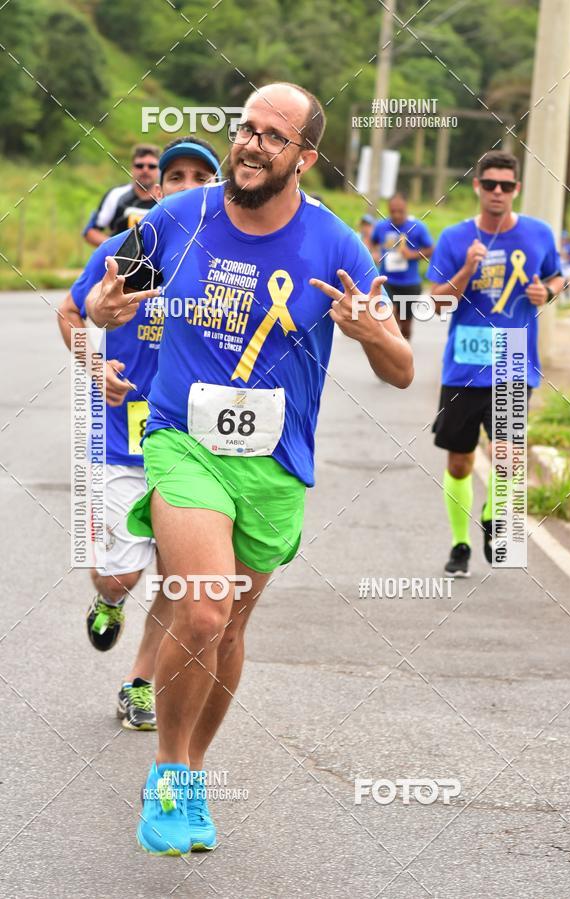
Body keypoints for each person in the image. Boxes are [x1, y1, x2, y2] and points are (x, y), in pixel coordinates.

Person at [85, 82, 414, 856]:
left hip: (273, 465)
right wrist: (104, 312)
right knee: (200, 607)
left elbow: (400, 369)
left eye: (274, 135)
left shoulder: (336, 246)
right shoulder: (175, 218)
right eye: (247, 128)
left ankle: (195, 771)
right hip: (181, 441)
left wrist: (371, 333)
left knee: (230, 623)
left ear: (304, 156)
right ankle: (168, 773)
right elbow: (101, 296)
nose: (252, 143)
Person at [57, 137, 222, 730]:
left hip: (194, 444)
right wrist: (96, 366)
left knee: (183, 580)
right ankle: (106, 599)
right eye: (173, 175)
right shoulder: (132, 250)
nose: (183, 185)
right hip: (125, 441)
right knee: (124, 575)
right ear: (154, 187)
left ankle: (140, 685)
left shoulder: (227, 261)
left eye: (198, 175)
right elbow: (70, 313)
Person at [427, 150, 564, 578]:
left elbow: (558, 275)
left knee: (507, 458)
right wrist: (467, 268)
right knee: (459, 462)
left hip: (512, 361)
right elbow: (437, 301)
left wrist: (550, 292)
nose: (498, 193)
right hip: (465, 364)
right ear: (478, 187)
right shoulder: (454, 237)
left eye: (506, 186)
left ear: (516, 190)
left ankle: (491, 516)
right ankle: (459, 544)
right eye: (490, 185)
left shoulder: (539, 234)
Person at [371, 193, 434, 341]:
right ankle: (391, 350)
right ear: (388, 209)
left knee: (405, 326)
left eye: (400, 211)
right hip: (387, 281)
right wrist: (374, 253)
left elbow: (431, 249)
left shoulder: (418, 227)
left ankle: (404, 349)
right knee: (390, 317)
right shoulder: (381, 226)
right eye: (393, 211)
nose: (397, 215)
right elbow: (372, 242)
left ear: (406, 208)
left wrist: (411, 254)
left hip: (409, 283)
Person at [83, 144, 161, 247]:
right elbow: (90, 232)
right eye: (139, 166)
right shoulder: (115, 195)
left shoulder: (167, 199)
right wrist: (117, 247)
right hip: (118, 261)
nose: (145, 170)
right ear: (131, 168)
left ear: (159, 170)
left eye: (151, 166)